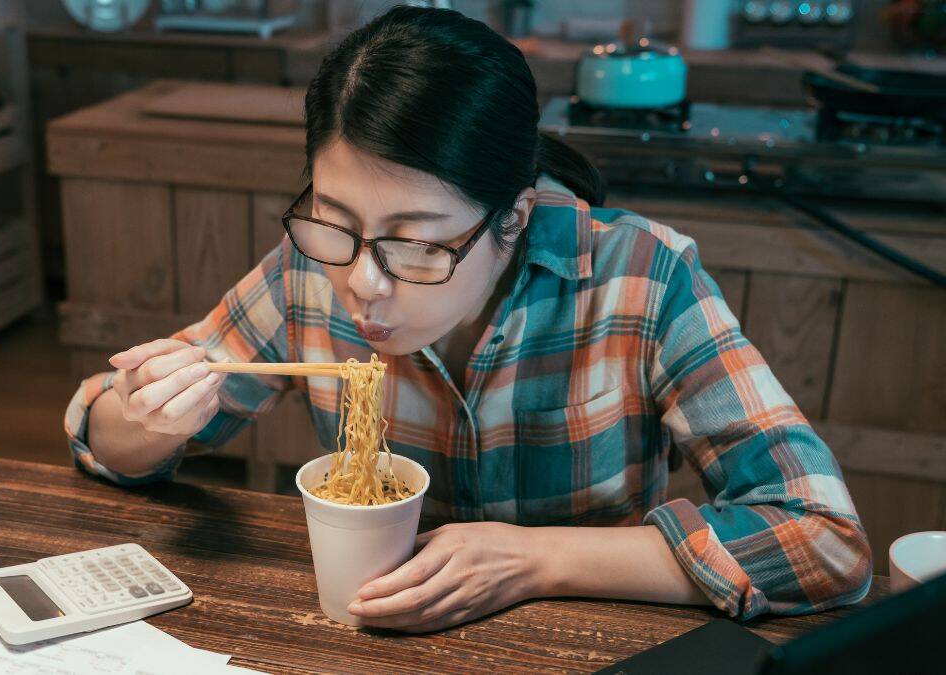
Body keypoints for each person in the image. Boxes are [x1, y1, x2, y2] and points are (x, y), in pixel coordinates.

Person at [63, 7, 871, 633]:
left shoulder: (640, 277)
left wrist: (538, 559)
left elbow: (825, 538)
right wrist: (144, 418)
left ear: (513, 217)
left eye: (415, 245)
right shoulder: (313, 269)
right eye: (334, 220)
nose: (362, 283)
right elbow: (105, 438)